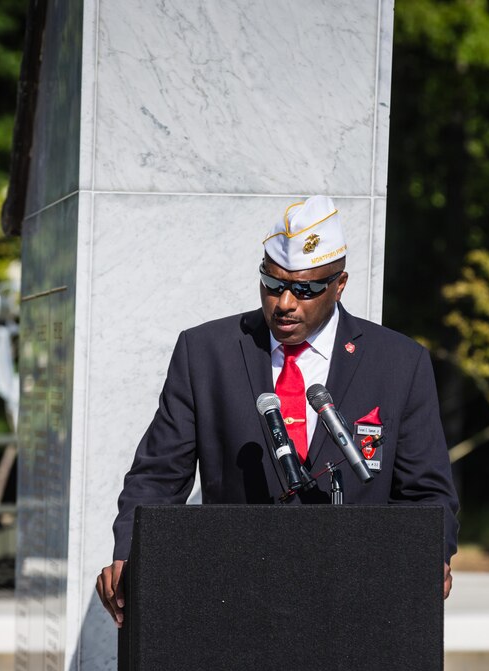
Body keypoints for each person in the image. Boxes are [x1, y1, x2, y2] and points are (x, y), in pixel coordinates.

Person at [96, 196, 459, 626]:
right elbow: (158, 474)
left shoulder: (398, 362)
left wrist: (428, 555)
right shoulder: (206, 353)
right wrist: (131, 551)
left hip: (356, 605)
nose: (285, 302)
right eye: (272, 283)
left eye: (305, 289)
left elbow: (425, 492)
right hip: (234, 600)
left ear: (340, 285)